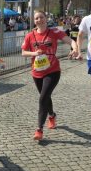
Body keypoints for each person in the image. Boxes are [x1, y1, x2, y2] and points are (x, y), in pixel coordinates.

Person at [21, 10, 78, 140]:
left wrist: (75, 49)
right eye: (36, 18)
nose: (39, 20)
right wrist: (34, 54)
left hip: (52, 70)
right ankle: (51, 115)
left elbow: (71, 41)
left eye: (41, 17)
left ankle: (39, 129)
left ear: (46, 19)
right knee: (45, 96)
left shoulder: (54, 32)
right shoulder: (30, 35)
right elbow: (23, 52)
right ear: (34, 21)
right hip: (36, 72)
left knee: (43, 98)